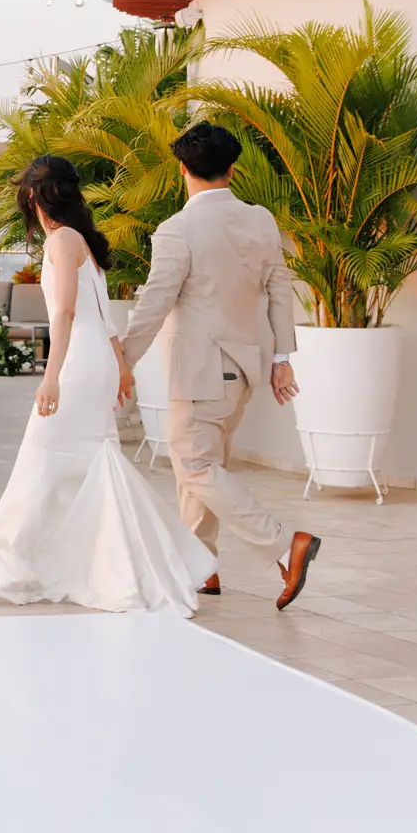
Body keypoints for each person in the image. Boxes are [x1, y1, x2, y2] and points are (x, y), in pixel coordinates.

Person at [0, 155, 218, 616]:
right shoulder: (80, 239)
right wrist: (120, 367)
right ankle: (107, 565)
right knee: (90, 461)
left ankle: (33, 566)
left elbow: (66, 312)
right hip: (95, 361)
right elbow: (102, 314)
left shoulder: (62, 240)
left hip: (77, 364)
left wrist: (51, 376)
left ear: (33, 196)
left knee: (44, 458)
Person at [121, 124, 318, 610]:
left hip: (201, 371)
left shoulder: (177, 229)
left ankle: (285, 546)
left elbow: (155, 301)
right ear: (232, 169)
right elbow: (279, 289)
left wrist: (120, 360)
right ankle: (200, 565)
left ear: (181, 169)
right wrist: (282, 359)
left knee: (195, 464)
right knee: (206, 464)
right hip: (245, 369)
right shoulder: (261, 220)